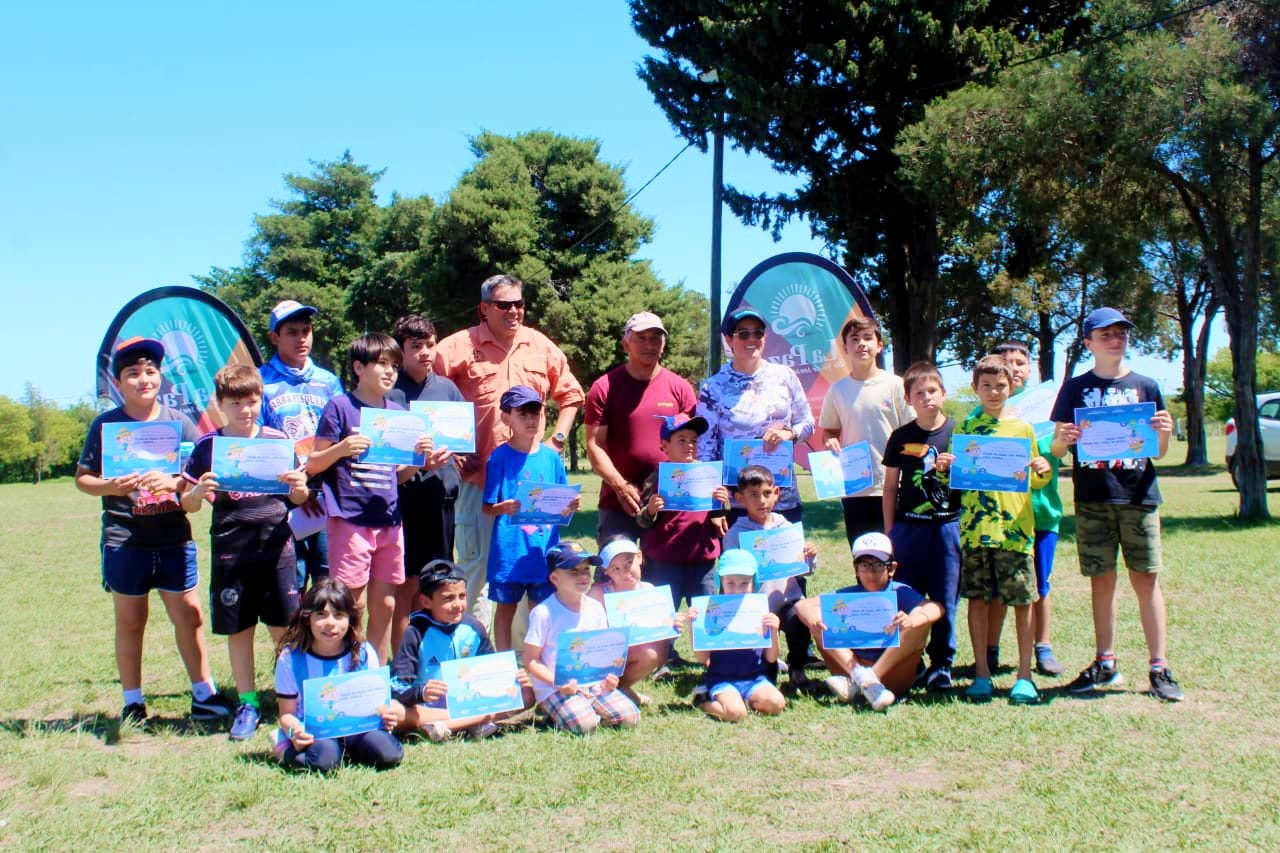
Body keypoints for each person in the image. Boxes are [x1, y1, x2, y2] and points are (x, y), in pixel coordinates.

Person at [76, 337, 234, 725]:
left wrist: (177, 483)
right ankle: (133, 702)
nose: (143, 379)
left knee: (191, 616)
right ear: (118, 382)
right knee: (131, 621)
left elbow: (197, 476)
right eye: (133, 373)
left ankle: (203, 693)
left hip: (172, 537)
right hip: (125, 538)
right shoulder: (106, 424)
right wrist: (112, 486)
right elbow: (83, 479)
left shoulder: (177, 423)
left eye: (150, 371)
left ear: (160, 377)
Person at [434, 274, 585, 623]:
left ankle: (522, 656)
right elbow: (429, 394)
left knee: (530, 562)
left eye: (519, 304)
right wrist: (448, 446)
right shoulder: (456, 348)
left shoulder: (540, 345)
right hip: (477, 481)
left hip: (533, 483)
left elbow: (572, 396)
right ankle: (475, 651)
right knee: (475, 565)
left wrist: (557, 439)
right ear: (484, 308)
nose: (513, 311)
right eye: (504, 304)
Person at [1050, 307, 1182, 702]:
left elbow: (1156, 451)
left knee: (1146, 581)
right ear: (1088, 343)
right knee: (1101, 582)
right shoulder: (1075, 388)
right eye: (1105, 333)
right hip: (1093, 498)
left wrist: (1166, 433)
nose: (1115, 338)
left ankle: (1159, 667)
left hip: (1138, 497)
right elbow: (1056, 448)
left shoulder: (1146, 384)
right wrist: (1066, 439)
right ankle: (1105, 661)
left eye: (1121, 332)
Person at [180, 364, 311, 741]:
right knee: (239, 630)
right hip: (231, 553)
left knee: (284, 630)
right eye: (235, 403)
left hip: (277, 549)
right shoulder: (209, 447)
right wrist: (195, 492)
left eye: (252, 401)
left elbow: (298, 498)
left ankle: (294, 700)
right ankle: (248, 702)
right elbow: (187, 504)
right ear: (220, 405)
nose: (245, 410)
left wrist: (298, 485)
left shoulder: (276, 440)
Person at [307, 333, 445, 663]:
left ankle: (376, 670)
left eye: (394, 366)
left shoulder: (397, 413)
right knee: (349, 602)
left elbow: (396, 476)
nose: (390, 372)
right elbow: (313, 463)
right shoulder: (340, 407)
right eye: (381, 364)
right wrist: (342, 449)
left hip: (389, 520)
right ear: (358, 367)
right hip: (350, 518)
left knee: (385, 603)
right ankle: (346, 665)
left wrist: (419, 462)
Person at [944, 355, 1051, 705]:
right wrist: (945, 467)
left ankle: (1023, 675)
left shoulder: (1022, 429)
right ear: (975, 388)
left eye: (1001, 386)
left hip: (1015, 531)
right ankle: (981, 675)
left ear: (1013, 387)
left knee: (1022, 602)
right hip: (975, 531)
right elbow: (954, 480)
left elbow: (1035, 481)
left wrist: (1042, 467)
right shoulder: (965, 430)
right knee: (977, 600)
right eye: (986, 386)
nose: (993, 391)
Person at [982, 342, 1066, 677]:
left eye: (1021, 362)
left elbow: (1057, 450)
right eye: (1007, 363)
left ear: (1031, 370)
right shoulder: (983, 413)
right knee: (997, 590)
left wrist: (1057, 448)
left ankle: (1042, 648)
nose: (1015, 368)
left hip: (1041, 512)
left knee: (1039, 586)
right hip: (1000, 517)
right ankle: (990, 650)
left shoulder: (1049, 408)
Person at [584, 311, 697, 546]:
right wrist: (620, 486)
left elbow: (693, 447)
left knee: (661, 579)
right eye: (641, 338)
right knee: (614, 577)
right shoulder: (604, 387)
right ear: (626, 343)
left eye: (655, 338)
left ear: (663, 345)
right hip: (617, 502)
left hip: (667, 502)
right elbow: (594, 445)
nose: (649, 344)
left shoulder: (681, 388)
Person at [881, 361, 961, 691]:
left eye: (932, 391)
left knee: (946, 597)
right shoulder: (901, 437)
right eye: (919, 393)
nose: (927, 397)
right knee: (904, 596)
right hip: (908, 529)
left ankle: (942, 663)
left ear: (943, 393)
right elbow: (890, 487)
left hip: (946, 528)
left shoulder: (958, 434)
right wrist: (889, 532)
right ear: (908, 399)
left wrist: (950, 470)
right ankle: (910, 661)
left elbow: (972, 483)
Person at [794, 533, 943, 710]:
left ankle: (866, 680)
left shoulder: (900, 592)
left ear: (891, 568)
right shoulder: (848, 595)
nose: (871, 572)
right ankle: (862, 679)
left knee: (919, 621)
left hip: (893, 672)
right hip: (851, 666)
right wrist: (815, 621)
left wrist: (912, 620)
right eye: (864, 565)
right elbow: (802, 605)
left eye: (878, 565)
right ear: (856, 569)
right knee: (820, 620)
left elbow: (935, 607)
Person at [387, 314, 465, 652]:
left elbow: (462, 439)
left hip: (441, 499)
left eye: (430, 344)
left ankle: (431, 655)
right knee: (408, 585)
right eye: (415, 346)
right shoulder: (390, 393)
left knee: (437, 581)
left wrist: (457, 462)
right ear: (401, 350)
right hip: (406, 500)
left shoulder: (447, 388)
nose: (424, 352)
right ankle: (402, 661)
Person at [391, 559, 533, 742]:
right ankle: (477, 723)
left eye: (462, 596)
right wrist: (422, 692)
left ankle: (445, 726)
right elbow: (398, 685)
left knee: (528, 693)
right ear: (426, 601)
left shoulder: (474, 628)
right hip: (431, 706)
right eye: (448, 598)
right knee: (394, 710)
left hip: (472, 700)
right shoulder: (415, 632)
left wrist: (512, 679)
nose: (457, 604)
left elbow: (491, 673)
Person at [482, 386, 580, 652]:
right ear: (506, 418)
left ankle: (537, 661)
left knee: (541, 611)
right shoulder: (499, 457)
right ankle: (503, 661)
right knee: (505, 609)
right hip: (510, 551)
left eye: (536, 413)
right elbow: (488, 507)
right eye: (522, 413)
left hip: (542, 550)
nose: (531, 420)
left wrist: (570, 505)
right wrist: (503, 507)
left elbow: (562, 507)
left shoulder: (551, 457)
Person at [272, 578, 404, 771]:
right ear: (307, 618)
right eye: (321, 615)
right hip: (316, 731)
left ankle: (348, 751)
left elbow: (378, 706)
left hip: (359, 728)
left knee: (389, 755)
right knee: (324, 763)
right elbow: (287, 714)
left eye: (339, 615)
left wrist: (387, 715)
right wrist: (294, 731)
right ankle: (283, 747)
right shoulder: (291, 658)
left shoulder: (364, 652)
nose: (330, 624)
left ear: (350, 619)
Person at [696, 308, 814, 522]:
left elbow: (807, 423)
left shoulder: (785, 376)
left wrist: (790, 434)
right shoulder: (713, 388)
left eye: (757, 333)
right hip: (737, 504)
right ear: (728, 340)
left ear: (764, 337)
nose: (751, 339)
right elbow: (705, 450)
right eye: (743, 333)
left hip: (781, 499)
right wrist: (715, 506)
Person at [259, 300, 344, 591]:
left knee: (328, 584)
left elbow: (341, 436)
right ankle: (293, 639)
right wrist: (297, 484)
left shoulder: (329, 382)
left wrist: (316, 478)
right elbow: (255, 440)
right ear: (274, 337)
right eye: (292, 332)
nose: (301, 338)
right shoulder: (260, 382)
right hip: (282, 498)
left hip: (325, 495)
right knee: (289, 584)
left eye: (306, 331)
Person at [523, 542, 642, 735]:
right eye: (573, 571)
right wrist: (556, 682)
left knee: (631, 718)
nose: (583, 576)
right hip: (556, 687)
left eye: (586, 569)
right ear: (554, 578)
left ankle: (585, 708)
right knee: (585, 726)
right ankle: (558, 712)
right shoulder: (543, 613)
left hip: (593, 682)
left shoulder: (595, 608)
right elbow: (531, 660)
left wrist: (609, 678)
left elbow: (603, 652)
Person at [819, 315, 913, 543]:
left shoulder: (896, 385)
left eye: (868, 338)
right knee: (863, 553)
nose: (861, 343)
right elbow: (829, 431)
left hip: (893, 485)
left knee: (896, 551)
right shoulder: (837, 390)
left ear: (879, 346)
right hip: (855, 488)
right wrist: (830, 440)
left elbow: (912, 431)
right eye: (855, 339)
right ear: (845, 348)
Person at [722, 465, 818, 689]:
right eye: (753, 495)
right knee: (765, 667)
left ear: (777, 494)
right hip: (753, 604)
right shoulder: (736, 534)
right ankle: (764, 668)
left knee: (798, 617)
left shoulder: (786, 528)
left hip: (786, 599)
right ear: (739, 498)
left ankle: (797, 667)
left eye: (766, 493)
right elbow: (729, 572)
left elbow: (805, 570)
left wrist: (809, 557)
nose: (761, 501)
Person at [634, 414, 730, 618]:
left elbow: (718, 514)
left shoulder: (708, 473)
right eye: (682, 440)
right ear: (665, 445)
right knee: (664, 616)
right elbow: (642, 520)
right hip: (666, 559)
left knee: (707, 615)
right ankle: (666, 651)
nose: (689, 445)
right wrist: (651, 510)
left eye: (694, 440)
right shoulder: (658, 477)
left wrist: (722, 501)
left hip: (702, 559)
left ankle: (709, 651)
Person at [689, 549, 786, 722]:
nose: (737, 589)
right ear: (721, 582)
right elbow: (702, 658)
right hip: (722, 678)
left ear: (753, 583)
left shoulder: (759, 611)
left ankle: (747, 699)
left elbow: (771, 658)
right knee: (735, 713)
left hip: (755, 677)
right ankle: (703, 701)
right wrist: (694, 627)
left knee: (777, 703)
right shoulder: (712, 612)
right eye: (731, 583)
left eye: (744, 583)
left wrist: (773, 631)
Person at [587, 538, 686, 707]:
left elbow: (663, 630)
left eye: (628, 564)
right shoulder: (598, 593)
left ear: (639, 557)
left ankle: (620, 688)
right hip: (602, 654)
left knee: (657, 650)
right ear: (606, 571)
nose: (625, 572)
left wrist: (672, 624)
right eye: (615, 568)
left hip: (629, 654)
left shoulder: (649, 591)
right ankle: (614, 690)